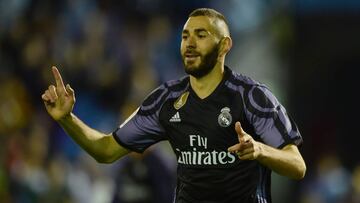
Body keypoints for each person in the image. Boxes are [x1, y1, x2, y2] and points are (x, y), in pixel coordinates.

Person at [42, 8, 306, 203]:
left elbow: (297, 165)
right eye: (185, 36)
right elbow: (106, 150)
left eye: (201, 35)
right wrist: (67, 118)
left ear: (225, 45)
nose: (189, 43)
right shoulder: (166, 100)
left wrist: (260, 150)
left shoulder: (252, 97)